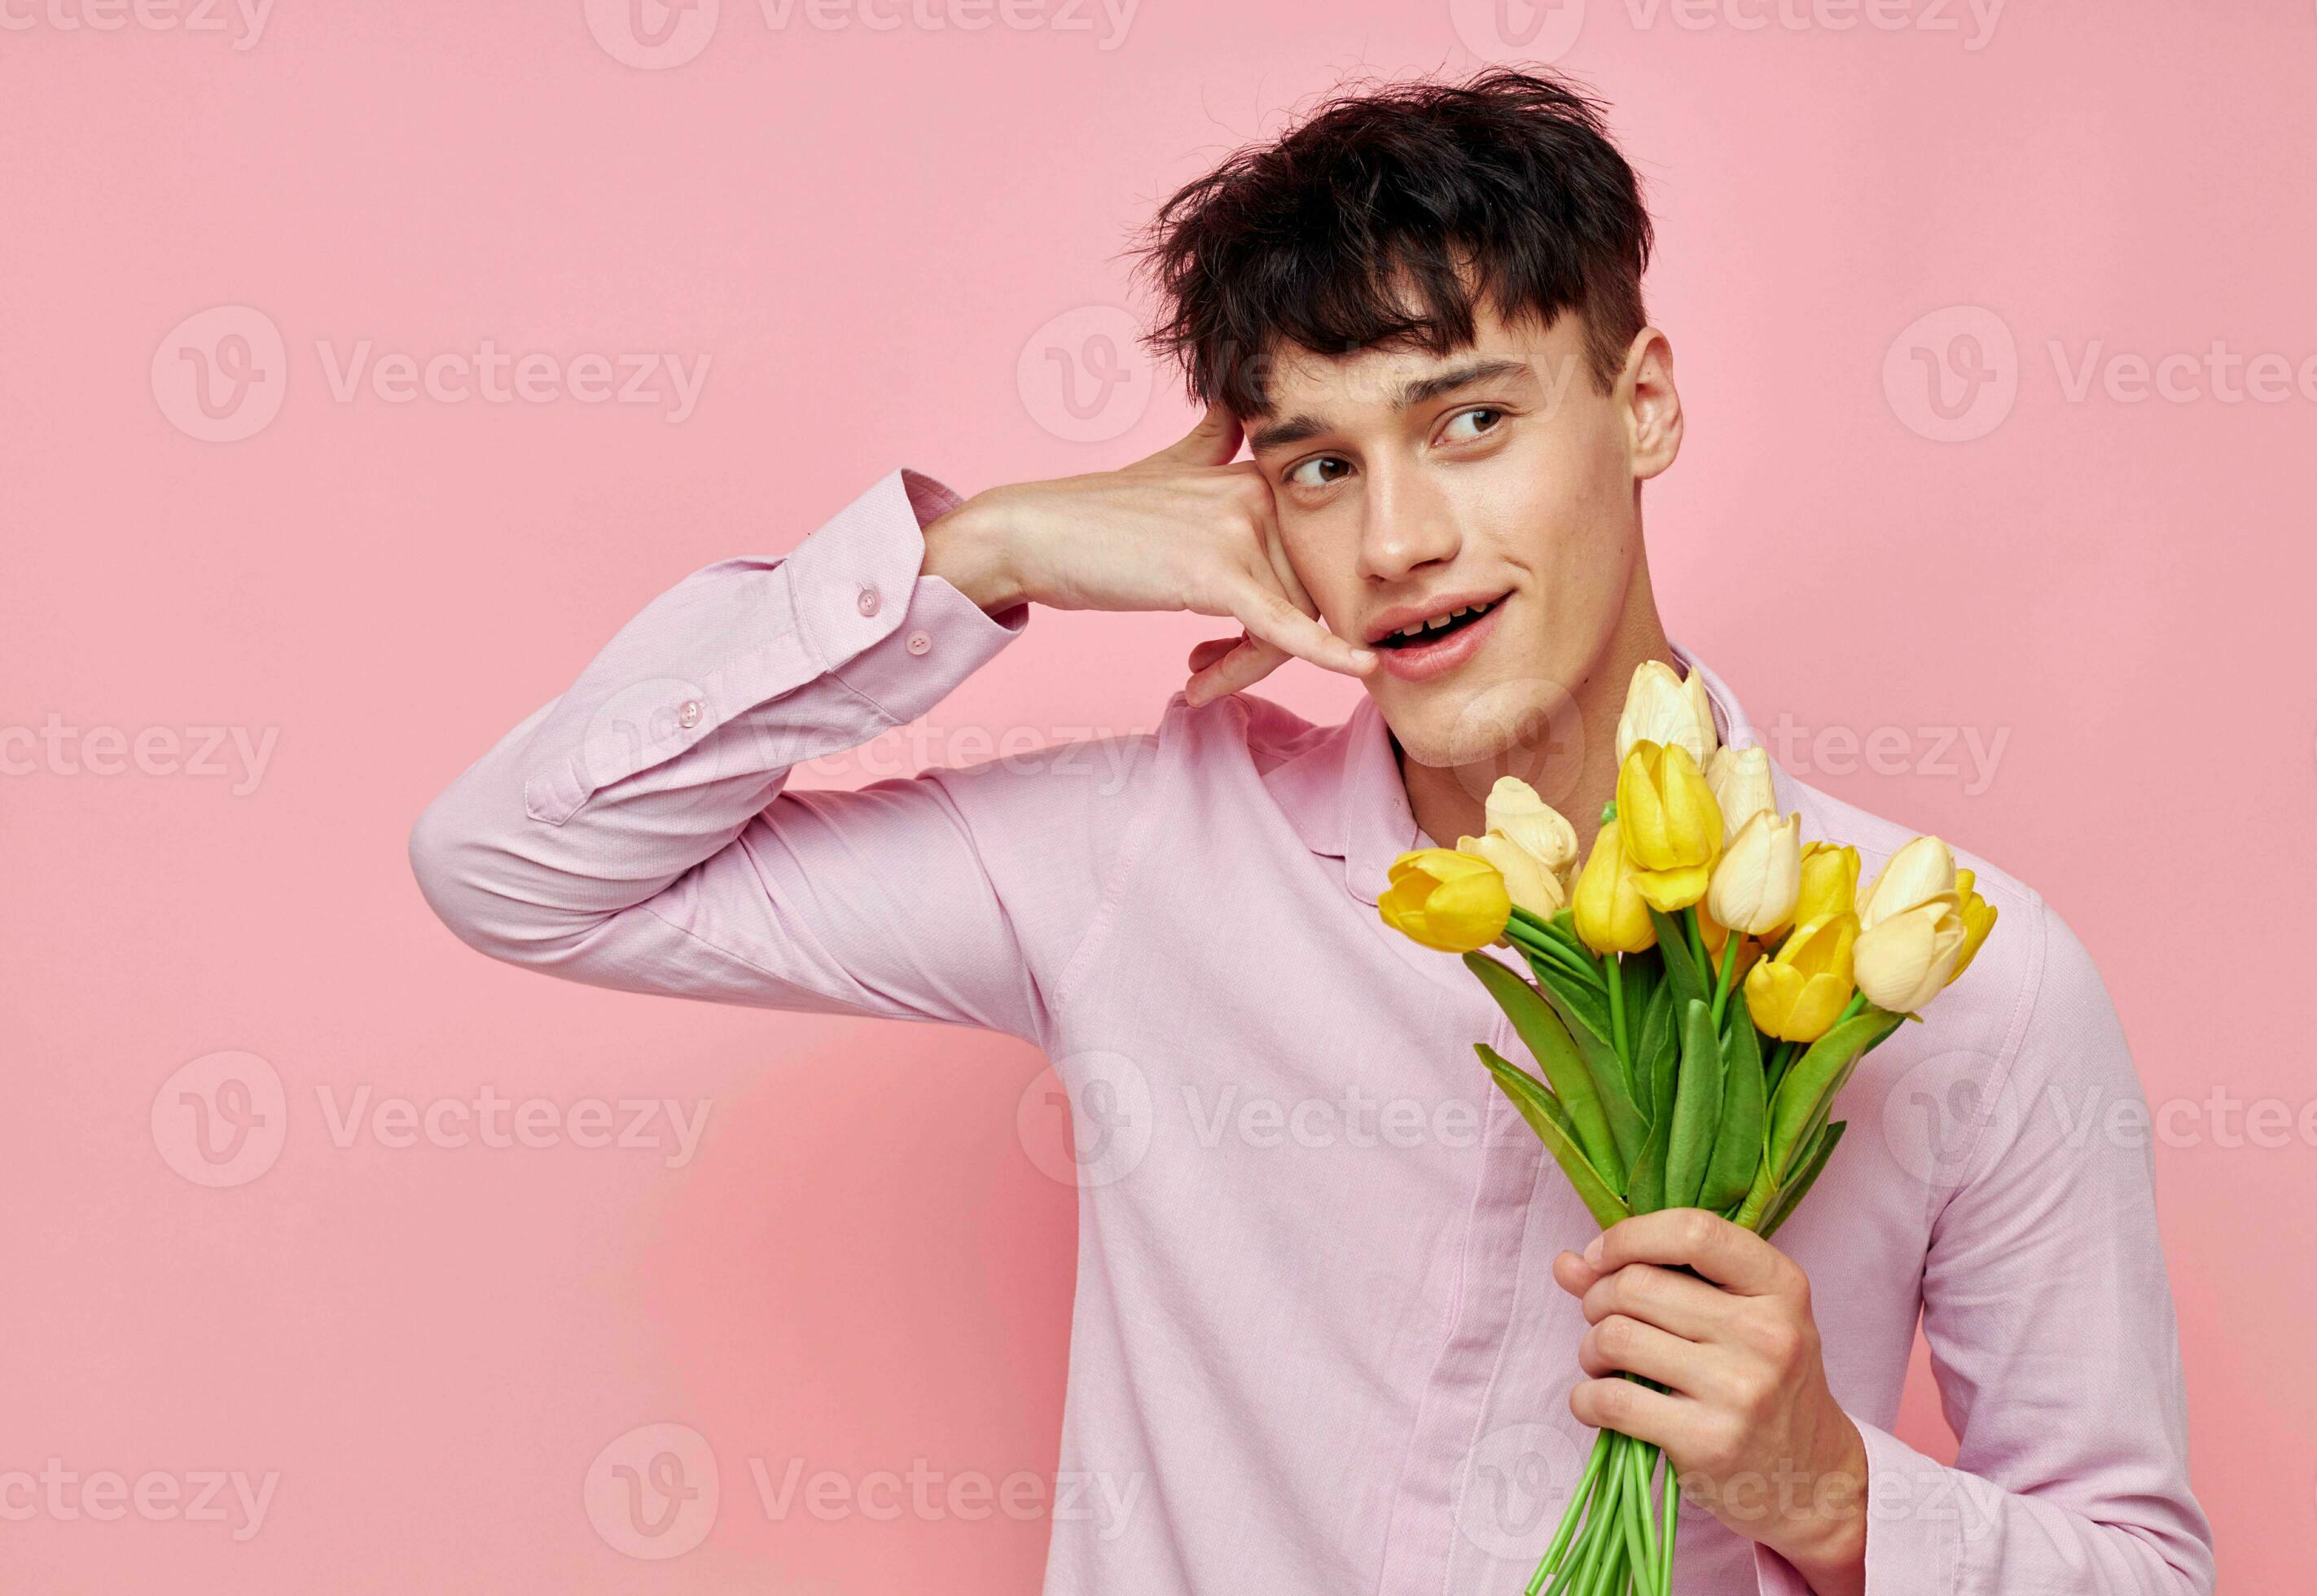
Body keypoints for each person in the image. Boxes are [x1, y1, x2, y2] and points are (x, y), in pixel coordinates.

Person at [409, 68, 2212, 1596]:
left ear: (1643, 399)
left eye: (1472, 421)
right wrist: (988, 553)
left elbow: (2143, 1562)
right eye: (1320, 462)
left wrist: (1832, 1488)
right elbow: (514, 862)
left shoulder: (1956, 963)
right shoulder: (1143, 859)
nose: (1399, 537)